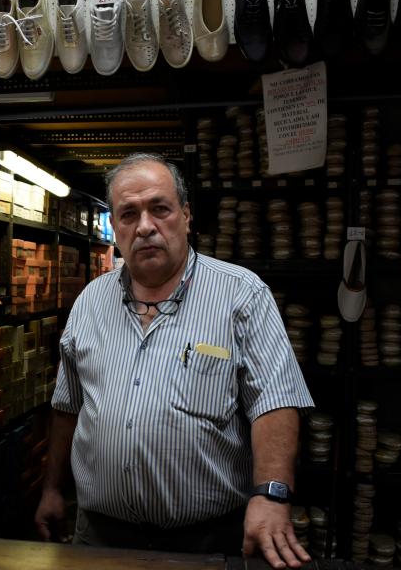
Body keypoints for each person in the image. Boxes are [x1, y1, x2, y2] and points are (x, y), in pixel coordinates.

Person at [34, 153, 314, 569]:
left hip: (204, 541)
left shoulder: (241, 295)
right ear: (116, 227)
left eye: (159, 209)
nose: (145, 226)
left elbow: (274, 401)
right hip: (100, 536)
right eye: (128, 214)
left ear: (185, 216)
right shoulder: (91, 301)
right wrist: (53, 489)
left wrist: (271, 493)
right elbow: (68, 407)